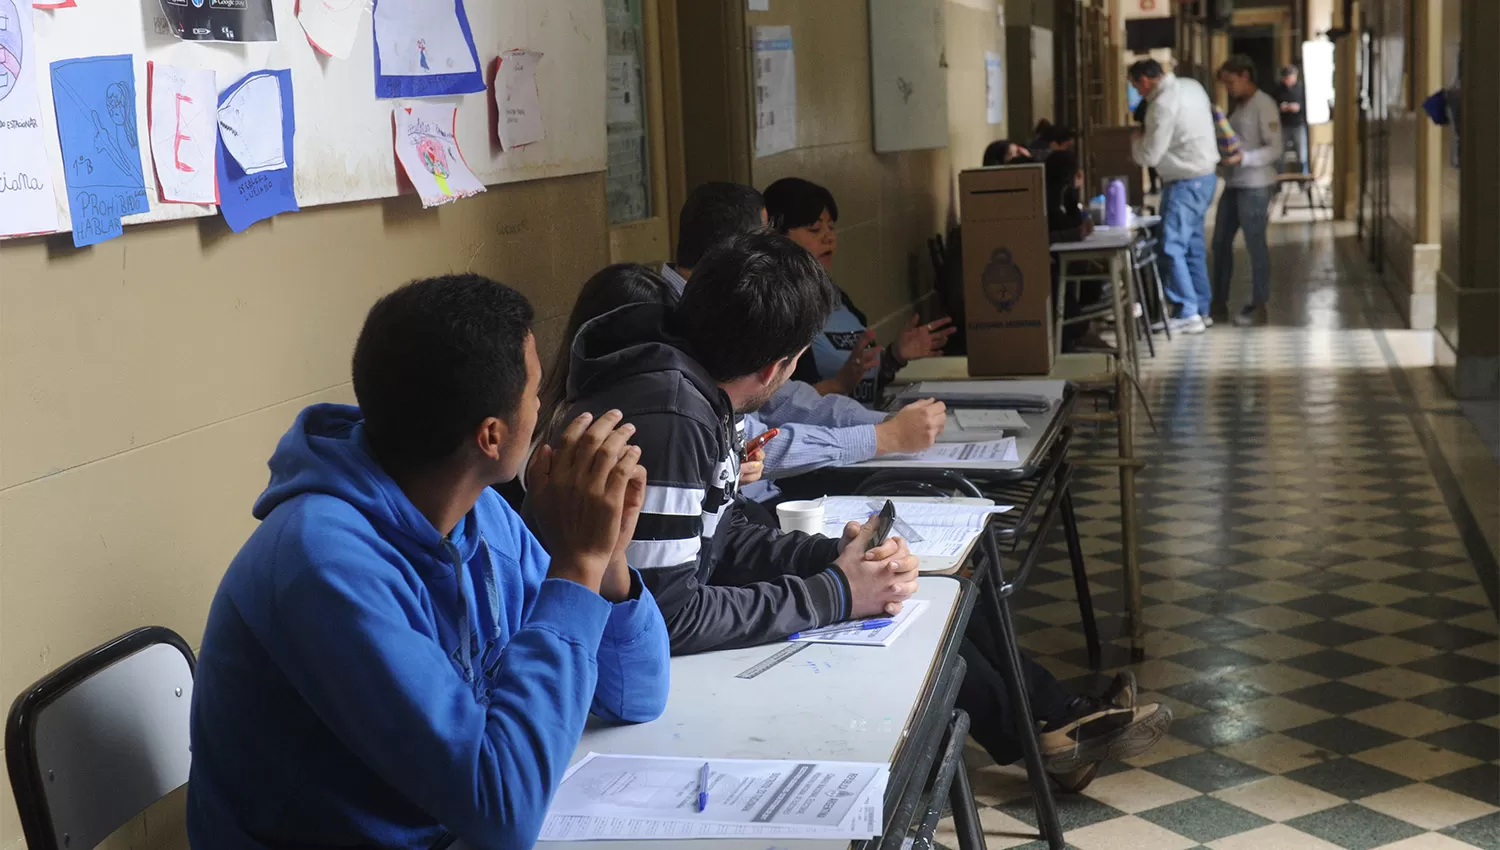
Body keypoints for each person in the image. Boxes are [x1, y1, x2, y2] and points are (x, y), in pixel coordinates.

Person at [559, 233, 1173, 791]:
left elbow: (713, 543)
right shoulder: (674, 415)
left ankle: (1048, 726)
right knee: (920, 645)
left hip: (665, 640)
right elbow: (670, 616)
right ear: (780, 366)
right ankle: (1041, 732)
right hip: (629, 689)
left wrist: (836, 557)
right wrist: (834, 593)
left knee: (926, 597)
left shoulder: (696, 389)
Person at [188, 275, 671, 849]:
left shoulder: (481, 513)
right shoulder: (321, 562)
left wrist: (608, 557)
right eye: (537, 392)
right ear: (492, 436)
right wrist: (576, 564)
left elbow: (634, 696)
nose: (543, 406)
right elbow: (502, 816)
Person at [763, 177, 956, 404]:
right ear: (777, 236)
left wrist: (895, 356)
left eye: (831, 227)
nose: (829, 237)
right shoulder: (778, 312)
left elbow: (862, 383)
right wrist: (838, 386)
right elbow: (778, 408)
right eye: (814, 229)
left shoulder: (836, 297)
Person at [1129, 58, 1221, 334]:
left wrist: (1135, 144)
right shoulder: (1191, 86)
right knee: (1191, 246)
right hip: (1205, 177)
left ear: (1144, 81)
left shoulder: (1162, 105)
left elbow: (1151, 154)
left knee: (1169, 245)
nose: (1137, 92)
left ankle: (1186, 310)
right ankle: (1201, 308)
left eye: (1135, 86)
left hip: (1184, 182)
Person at [1212, 56, 1281, 327]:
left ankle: (1259, 304)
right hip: (1234, 183)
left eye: (1231, 82)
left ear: (1245, 75)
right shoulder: (1239, 108)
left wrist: (1244, 159)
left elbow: (1274, 148)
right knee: (1219, 243)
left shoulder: (1264, 105)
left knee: (1255, 245)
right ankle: (1218, 302)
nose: (1228, 88)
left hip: (1255, 184)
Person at [1276, 64, 1309, 174]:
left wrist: (1298, 107)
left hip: (1298, 124)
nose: (1287, 80)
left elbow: (1308, 105)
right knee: (1279, 155)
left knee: (1302, 155)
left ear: (1295, 76)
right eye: (1285, 78)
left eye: (1289, 77)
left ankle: (1303, 182)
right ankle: (1279, 182)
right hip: (1283, 124)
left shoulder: (1302, 88)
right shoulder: (1279, 89)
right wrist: (1282, 107)